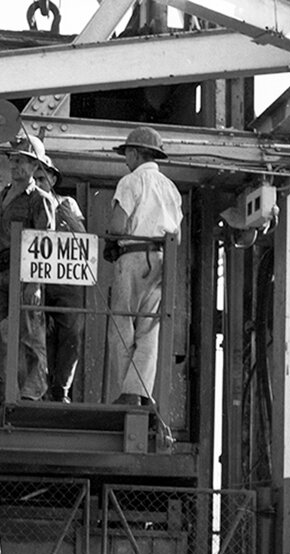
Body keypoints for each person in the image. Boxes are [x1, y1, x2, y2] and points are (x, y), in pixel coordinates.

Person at [106, 125, 182, 406]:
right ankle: (139, 392)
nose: (126, 160)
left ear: (136, 154)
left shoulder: (131, 181)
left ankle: (127, 394)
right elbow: (178, 235)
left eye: (127, 154)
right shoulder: (171, 189)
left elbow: (117, 225)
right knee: (150, 329)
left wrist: (111, 241)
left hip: (133, 256)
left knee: (122, 325)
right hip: (163, 259)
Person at [0, 134, 55, 404]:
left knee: (29, 332)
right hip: (0, 272)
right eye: (13, 160)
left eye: (23, 161)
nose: (16, 165)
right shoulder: (2, 195)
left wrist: (34, 285)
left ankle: (33, 390)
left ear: (36, 167)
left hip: (25, 273)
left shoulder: (40, 199)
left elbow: (46, 245)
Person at [35, 155, 86, 403]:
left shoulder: (68, 203)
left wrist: (70, 219)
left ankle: (61, 389)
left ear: (53, 179)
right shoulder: (29, 202)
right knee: (37, 334)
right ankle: (38, 389)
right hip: (36, 278)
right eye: (34, 179)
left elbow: (84, 237)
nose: (38, 183)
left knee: (71, 334)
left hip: (65, 280)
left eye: (42, 178)